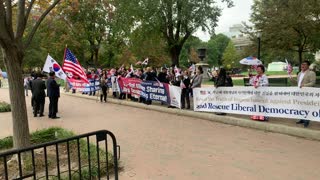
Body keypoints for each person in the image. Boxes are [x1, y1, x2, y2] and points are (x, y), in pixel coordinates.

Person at [292, 61, 316, 127]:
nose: (302, 65)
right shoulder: (299, 73)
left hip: (307, 93)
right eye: (302, 64)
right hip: (300, 93)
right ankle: (302, 119)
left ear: (308, 66)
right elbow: (298, 83)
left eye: (304, 64)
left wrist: (304, 85)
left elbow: (312, 83)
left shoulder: (311, 73)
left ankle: (307, 121)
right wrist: (291, 79)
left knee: (307, 107)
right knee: (301, 106)